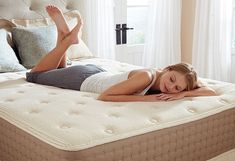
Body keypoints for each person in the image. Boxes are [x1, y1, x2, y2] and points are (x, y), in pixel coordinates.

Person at [26, 6, 217, 102]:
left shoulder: (167, 79)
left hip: (95, 72)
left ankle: (64, 34)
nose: (171, 87)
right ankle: (68, 40)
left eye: (177, 88)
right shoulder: (146, 76)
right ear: (167, 68)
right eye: (173, 79)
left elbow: (211, 91)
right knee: (34, 76)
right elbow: (105, 97)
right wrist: (147, 99)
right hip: (84, 80)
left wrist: (183, 95)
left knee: (60, 69)